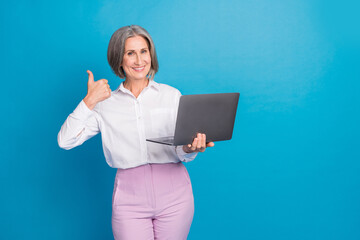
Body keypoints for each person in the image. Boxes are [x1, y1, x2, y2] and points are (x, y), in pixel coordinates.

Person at [57, 25, 214, 240]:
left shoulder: (171, 95)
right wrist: (89, 101)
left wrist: (190, 147)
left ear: (151, 54)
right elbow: (65, 141)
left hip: (176, 197)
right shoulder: (105, 104)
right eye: (130, 53)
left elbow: (181, 150)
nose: (139, 61)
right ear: (119, 59)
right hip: (129, 200)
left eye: (143, 51)